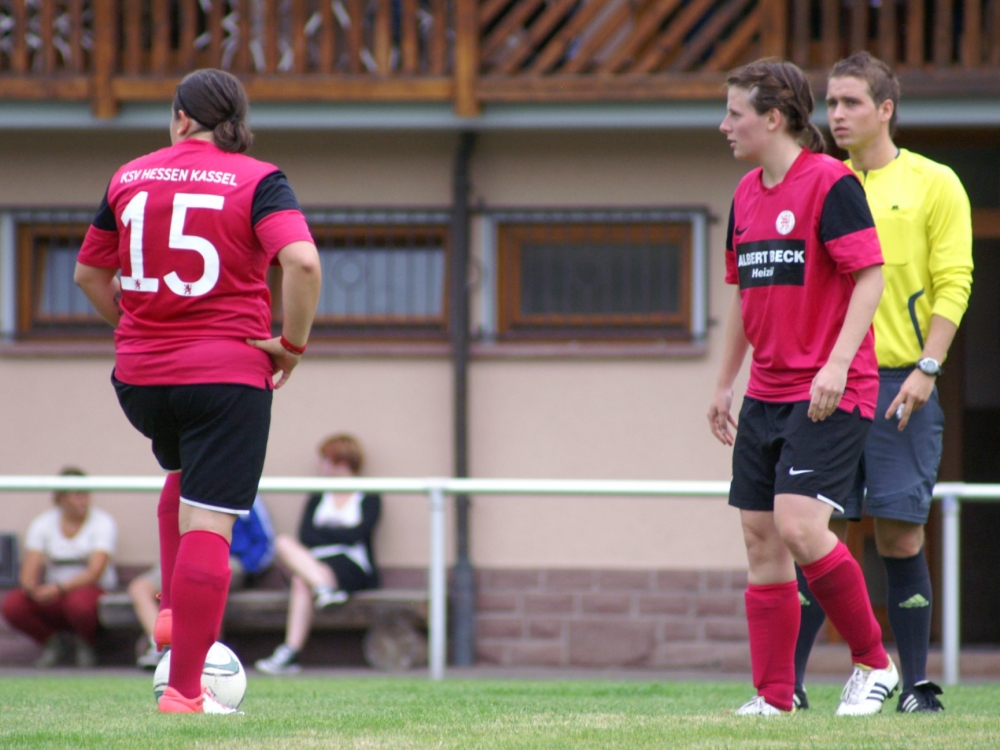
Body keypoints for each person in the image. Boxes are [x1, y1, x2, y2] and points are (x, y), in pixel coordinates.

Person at [74, 68, 321, 713]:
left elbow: (88, 275)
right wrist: (291, 345)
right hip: (224, 376)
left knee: (183, 474)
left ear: (181, 118)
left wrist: (138, 329)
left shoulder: (128, 177)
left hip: (140, 379)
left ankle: (170, 615)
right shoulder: (259, 179)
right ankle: (185, 692)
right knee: (212, 517)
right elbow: (302, 261)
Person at [709, 59, 897, 716]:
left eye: (734, 113)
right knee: (760, 537)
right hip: (765, 394)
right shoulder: (744, 194)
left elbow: (870, 277)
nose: (724, 125)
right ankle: (774, 696)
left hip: (829, 391)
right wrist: (723, 385)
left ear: (773, 118)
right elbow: (744, 296)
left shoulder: (831, 183)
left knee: (798, 525)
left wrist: (837, 364)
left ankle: (874, 663)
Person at [792, 51, 974, 714]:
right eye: (831, 103)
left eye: (851, 103)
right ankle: (787, 688)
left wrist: (929, 366)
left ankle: (915, 685)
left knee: (899, 533)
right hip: (829, 384)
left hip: (902, 381)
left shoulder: (935, 182)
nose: (836, 115)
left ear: (885, 109)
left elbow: (954, 280)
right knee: (814, 532)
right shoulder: (819, 181)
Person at [255, 434, 381, 674]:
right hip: (316, 562)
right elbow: (306, 536)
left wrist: (326, 532)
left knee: (301, 580)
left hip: (351, 565)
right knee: (283, 543)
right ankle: (322, 589)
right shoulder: (319, 494)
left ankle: (290, 651)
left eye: (325, 459)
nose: (320, 464)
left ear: (342, 461)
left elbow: (357, 534)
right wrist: (338, 532)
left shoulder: (368, 494)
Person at [132, 494, 276, 668]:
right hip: (185, 558)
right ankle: (162, 647)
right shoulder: (186, 490)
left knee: (206, 577)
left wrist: (247, 566)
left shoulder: (244, 491)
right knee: (141, 588)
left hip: (229, 558)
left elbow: (264, 543)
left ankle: (209, 654)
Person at [1, 467, 118, 668]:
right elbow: (30, 567)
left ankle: (87, 643)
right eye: (77, 495)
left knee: (79, 605)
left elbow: (95, 572)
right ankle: (52, 643)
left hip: (88, 593)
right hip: (53, 594)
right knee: (13, 604)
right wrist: (31, 588)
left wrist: (60, 589)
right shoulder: (43, 522)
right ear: (61, 498)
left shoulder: (103, 522)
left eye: (86, 494)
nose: (84, 500)